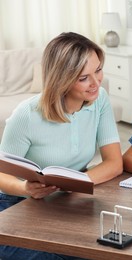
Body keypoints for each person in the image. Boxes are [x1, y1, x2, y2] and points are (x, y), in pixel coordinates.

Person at [0, 32, 122, 259]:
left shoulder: (100, 100)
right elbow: (1, 176)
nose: (96, 83)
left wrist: (76, 183)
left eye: (98, 70)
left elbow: (114, 163)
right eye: (84, 77)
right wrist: (25, 188)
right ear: (62, 79)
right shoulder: (26, 115)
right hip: (16, 204)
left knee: (104, 249)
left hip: (65, 199)